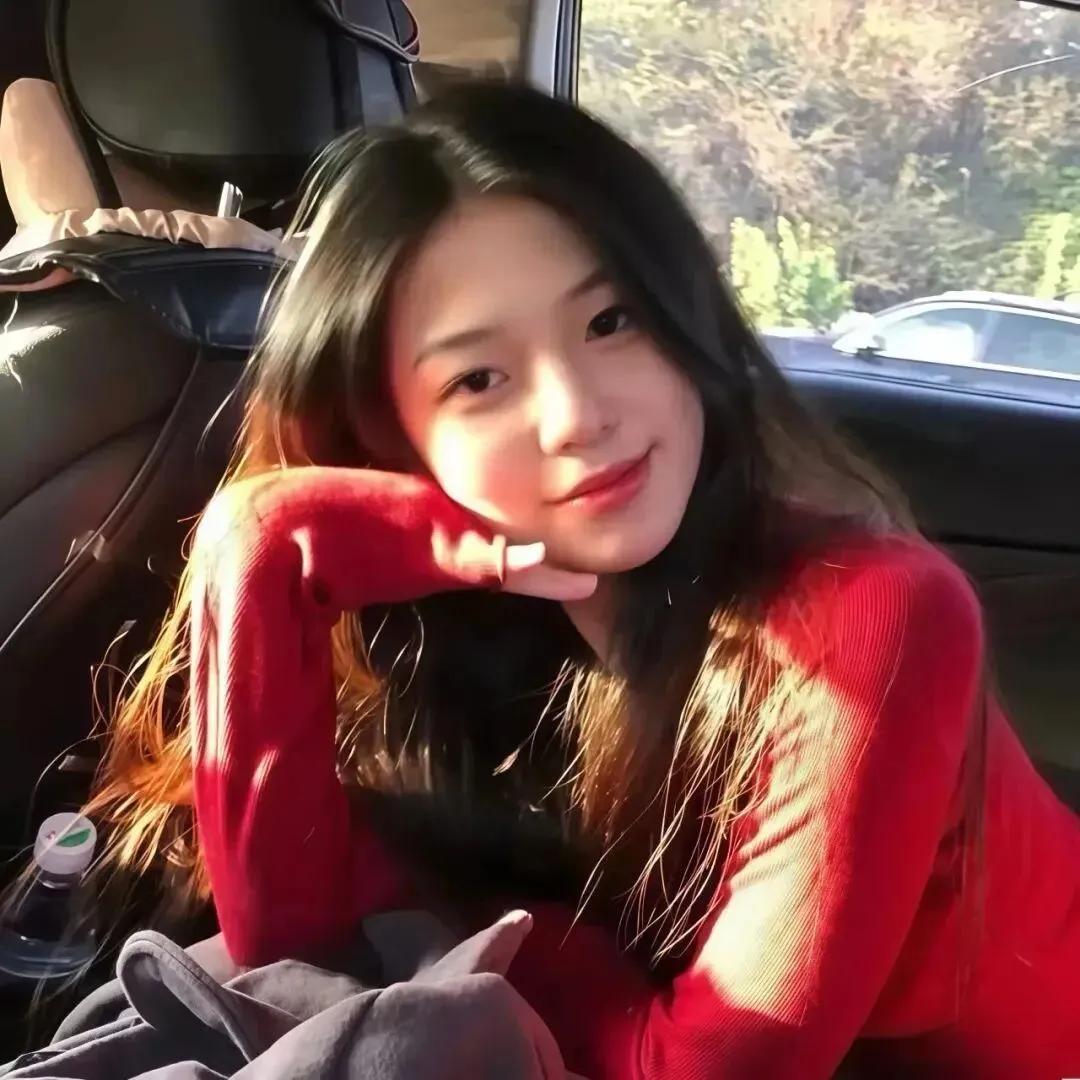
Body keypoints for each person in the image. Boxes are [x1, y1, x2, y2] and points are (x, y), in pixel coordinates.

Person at [80, 81, 1080, 1079]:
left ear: (686, 315)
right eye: (478, 379)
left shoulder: (873, 615)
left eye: (611, 321)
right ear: (392, 437)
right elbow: (289, 938)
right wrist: (259, 539)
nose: (576, 415)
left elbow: (704, 1073)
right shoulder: (465, 628)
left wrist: (517, 943)